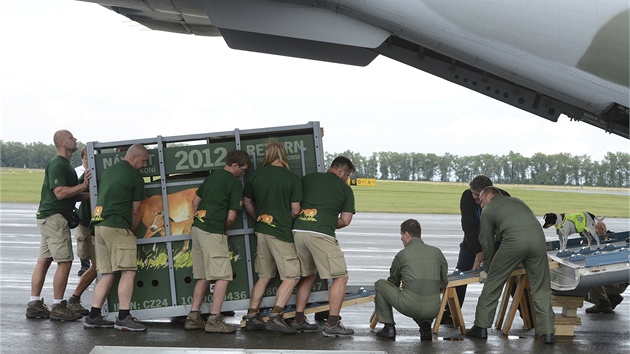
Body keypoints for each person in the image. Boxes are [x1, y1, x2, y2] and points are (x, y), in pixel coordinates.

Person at [466, 187, 555, 344]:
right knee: (541, 287)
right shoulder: (517, 201)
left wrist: (489, 266)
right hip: (539, 241)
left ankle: (481, 327)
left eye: (481, 201)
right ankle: (547, 332)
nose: (481, 205)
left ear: (490, 196)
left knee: (493, 282)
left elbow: (486, 241)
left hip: (514, 242)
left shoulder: (488, 210)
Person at [242, 141, 307, 335]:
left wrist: (259, 218)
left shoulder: (255, 176)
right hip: (281, 232)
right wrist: (285, 219)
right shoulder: (292, 178)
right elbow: (295, 210)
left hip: (261, 231)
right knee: (292, 275)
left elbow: (246, 201)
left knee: (264, 275)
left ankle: (252, 316)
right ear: (283, 155)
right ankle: (276, 316)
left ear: (267, 155)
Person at [183, 150, 251, 333]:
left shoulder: (212, 177)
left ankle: (193, 317)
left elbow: (195, 202)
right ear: (235, 165)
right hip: (213, 231)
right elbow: (231, 216)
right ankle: (214, 319)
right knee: (223, 275)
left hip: (197, 228)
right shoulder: (233, 184)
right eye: (242, 170)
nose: (243, 174)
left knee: (204, 275)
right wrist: (226, 229)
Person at [84, 144, 149, 331]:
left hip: (100, 226)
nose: (145, 164)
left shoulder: (109, 171)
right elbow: (136, 211)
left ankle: (93, 316)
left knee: (108, 273)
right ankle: (123, 317)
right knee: (128, 271)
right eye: (143, 160)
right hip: (117, 226)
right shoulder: (135, 177)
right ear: (133, 157)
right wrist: (131, 231)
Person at [26, 129, 90, 321]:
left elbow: (73, 194)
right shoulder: (58, 164)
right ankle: (58, 306)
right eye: (71, 137)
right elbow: (61, 193)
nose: (75, 139)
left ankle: (35, 303)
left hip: (48, 217)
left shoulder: (66, 165)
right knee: (64, 261)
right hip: (54, 218)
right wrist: (84, 186)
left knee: (44, 260)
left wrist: (93, 194)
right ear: (62, 142)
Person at [292, 156, 356, 337]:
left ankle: (298, 319)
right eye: (347, 175)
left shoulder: (308, 178)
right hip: (321, 235)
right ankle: (333, 323)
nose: (347, 178)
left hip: (298, 231)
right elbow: (345, 220)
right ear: (341, 171)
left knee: (308, 275)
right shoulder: (345, 189)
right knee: (341, 277)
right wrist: (326, 221)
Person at [442, 175, 510, 324]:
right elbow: (468, 225)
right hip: (472, 243)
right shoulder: (467, 197)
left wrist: (489, 254)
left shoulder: (503, 197)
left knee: (510, 275)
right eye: (472, 193)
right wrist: (478, 251)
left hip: (498, 244)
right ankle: (449, 314)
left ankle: (528, 316)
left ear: (487, 193)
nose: (473, 197)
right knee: (461, 273)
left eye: (476, 194)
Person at [374, 219, 448, 341]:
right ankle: (425, 323)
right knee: (422, 293)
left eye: (401, 235)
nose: (401, 238)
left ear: (407, 234)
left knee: (380, 284)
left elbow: (393, 282)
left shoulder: (402, 255)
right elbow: (444, 281)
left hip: (410, 305)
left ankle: (389, 327)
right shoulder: (437, 252)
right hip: (434, 308)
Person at [584, 220, 628, 313]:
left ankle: (604, 303)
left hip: (618, 282)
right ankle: (612, 298)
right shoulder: (607, 240)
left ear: (602, 229)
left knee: (591, 278)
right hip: (615, 280)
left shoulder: (613, 243)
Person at [74, 148, 91, 277]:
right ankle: (84, 265)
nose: (87, 160)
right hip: (80, 210)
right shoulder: (77, 171)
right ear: (82, 158)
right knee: (82, 240)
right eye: (85, 158)